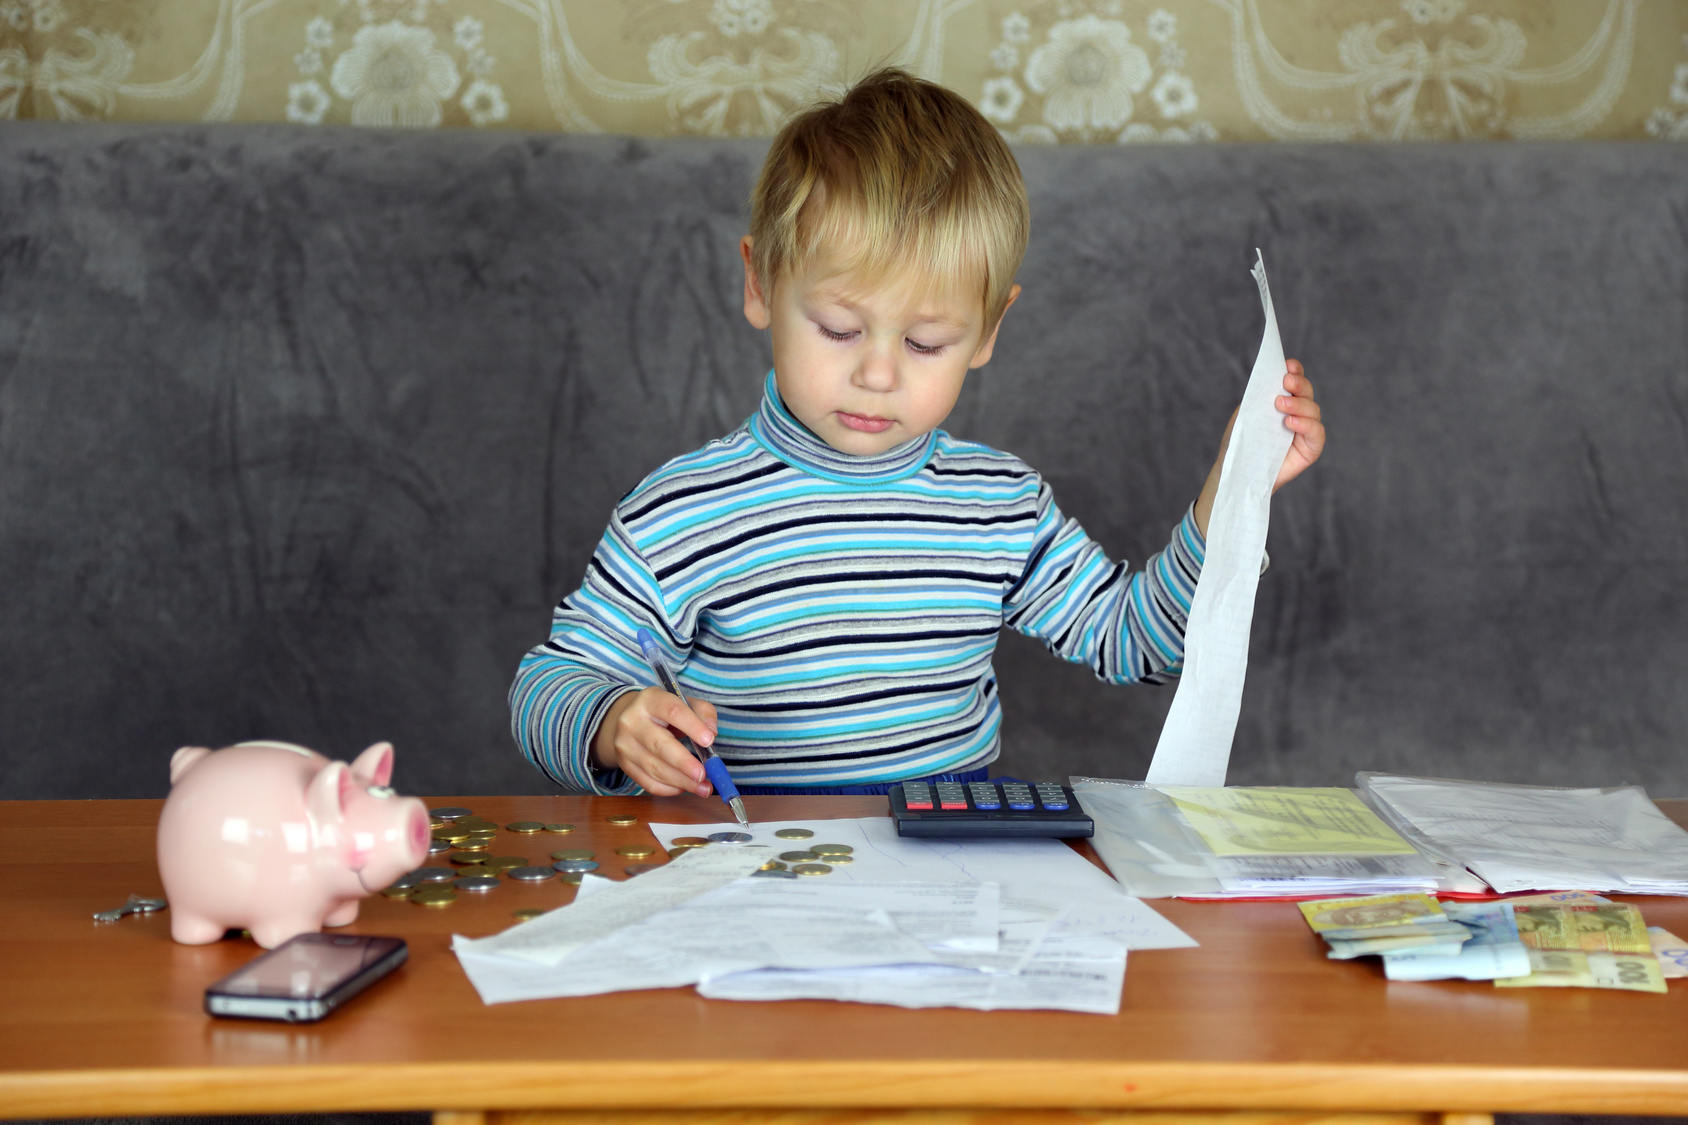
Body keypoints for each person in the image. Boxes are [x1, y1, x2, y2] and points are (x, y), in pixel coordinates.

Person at [510, 68, 1324, 798]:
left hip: (950, 882)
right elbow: (547, 683)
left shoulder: (1001, 504)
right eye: (837, 328)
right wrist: (613, 719)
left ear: (988, 331)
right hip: (752, 878)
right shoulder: (680, 513)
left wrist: (1235, 488)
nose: (878, 373)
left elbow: (1142, 644)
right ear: (759, 283)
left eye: (926, 343)